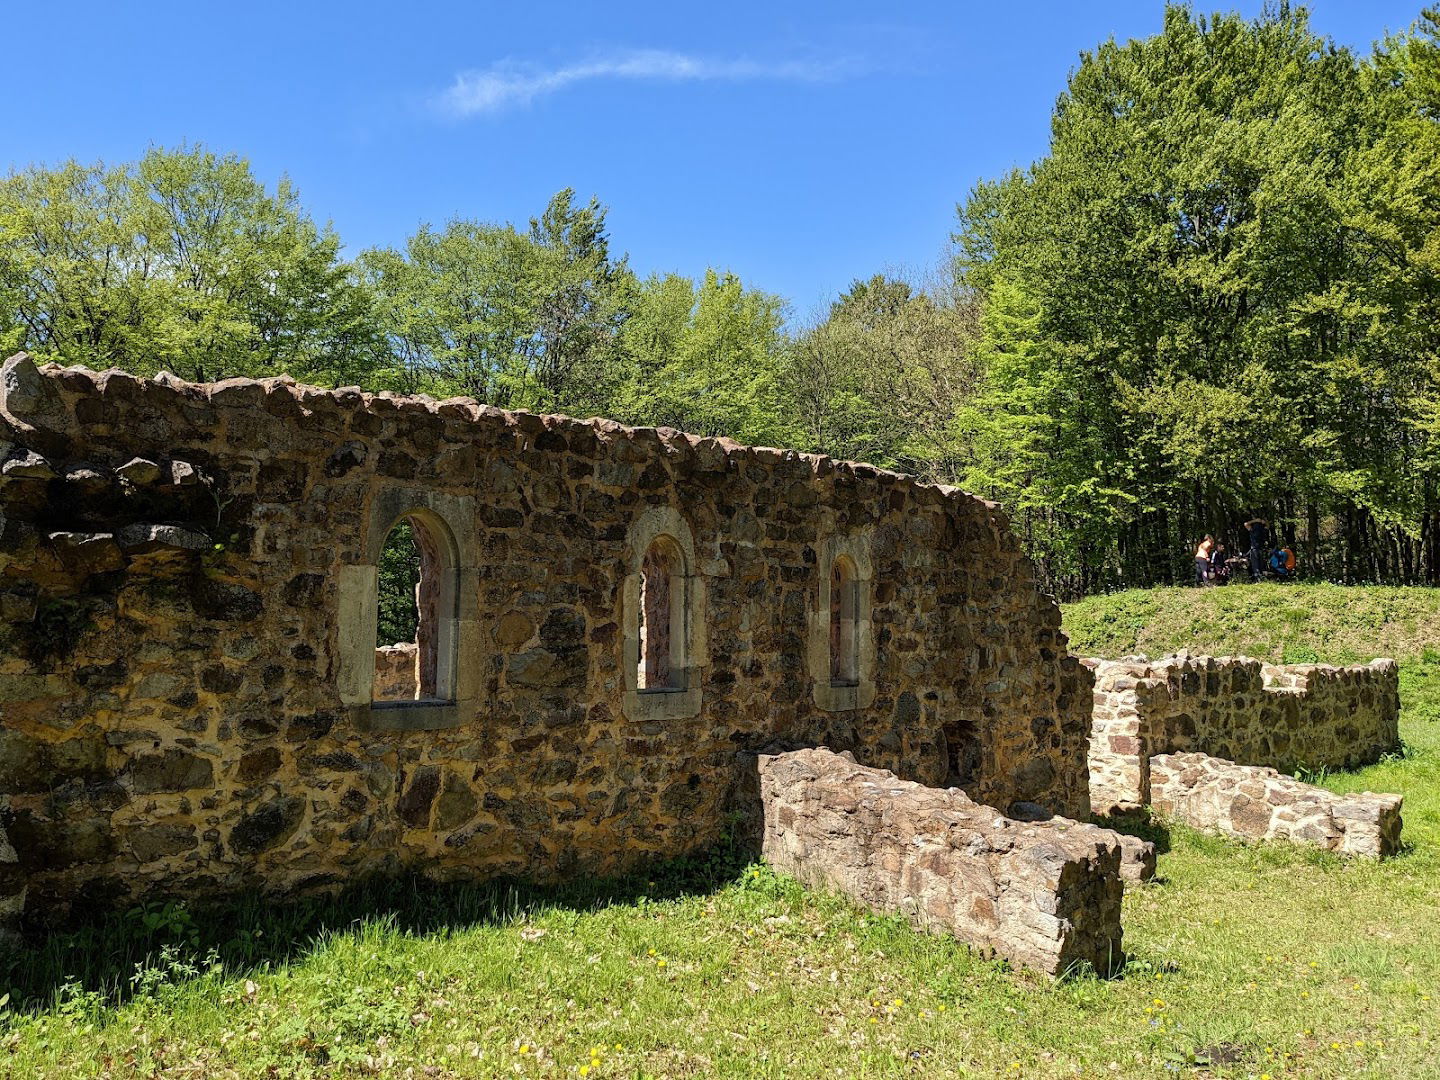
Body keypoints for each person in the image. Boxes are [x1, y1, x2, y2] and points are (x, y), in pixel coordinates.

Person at [1243, 517, 1269, 582]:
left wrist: (1260, 521)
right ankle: (1258, 579)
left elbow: (1246, 524)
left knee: (1260, 565)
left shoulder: (1260, 530)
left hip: (1259, 549)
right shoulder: (1254, 529)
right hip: (1255, 549)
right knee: (1256, 565)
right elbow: (1245, 524)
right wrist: (1256, 520)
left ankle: (1260, 579)